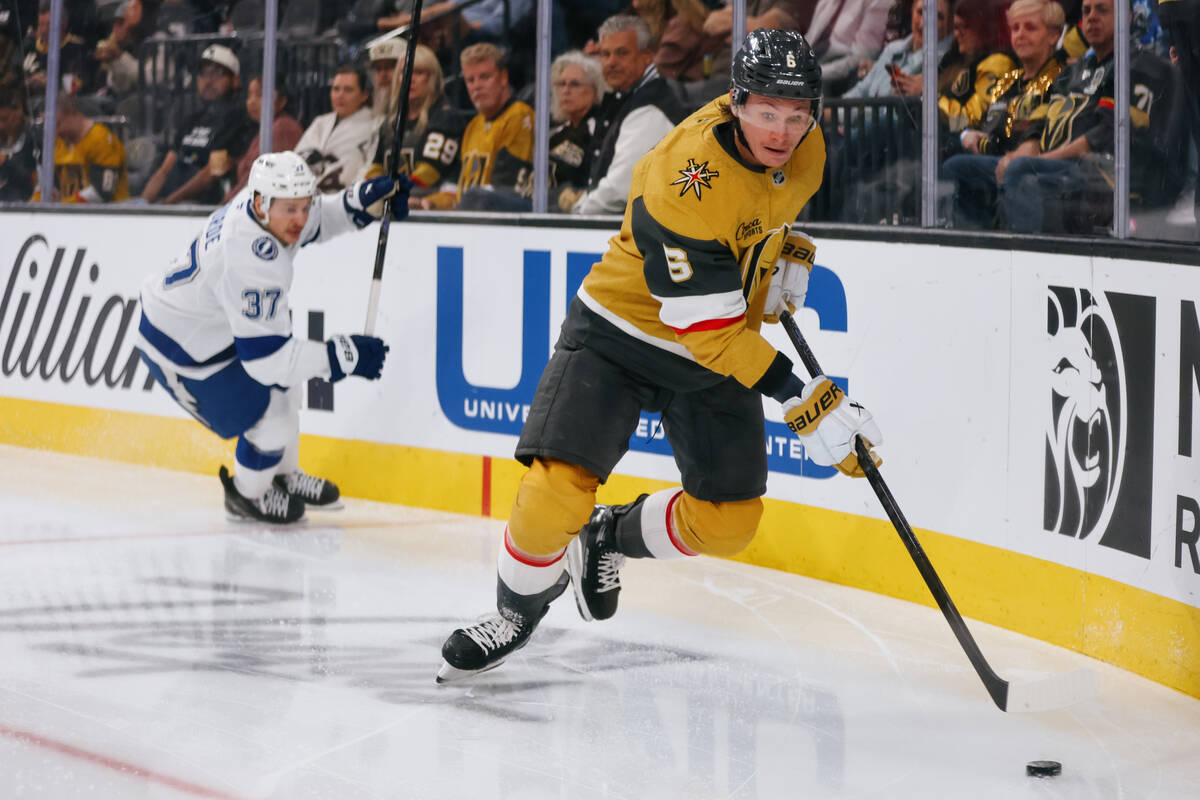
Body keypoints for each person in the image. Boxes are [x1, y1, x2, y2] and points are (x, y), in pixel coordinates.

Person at [437, 29, 883, 683]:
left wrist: (783, 251)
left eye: (796, 114)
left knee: (731, 522)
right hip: (623, 332)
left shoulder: (807, 146)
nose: (783, 130)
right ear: (735, 102)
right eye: (766, 112)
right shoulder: (683, 180)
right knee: (553, 491)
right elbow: (711, 334)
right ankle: (515, 611)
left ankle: (604, 536)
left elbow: (764, 207)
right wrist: (802, 398)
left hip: (713, 341)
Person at [136, 152, 411, 524]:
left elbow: (319, 219)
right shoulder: (248, 258)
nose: (300, 219)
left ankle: (282, 475)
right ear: (262, 205)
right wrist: (344, 356)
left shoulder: (265, 208)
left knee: (288, 391)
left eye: (304, 206)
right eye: (291, 211)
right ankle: (247, 495)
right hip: (179, 349)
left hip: (212, 330)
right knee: (273, 416)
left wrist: (363, 201)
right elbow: (268, 363)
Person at [999, 0, 1182, 232]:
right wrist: (1014, 157)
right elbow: (1039, 127)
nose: (1092, 17)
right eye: (1086, 11)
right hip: (1057, 167)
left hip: (1102, 174)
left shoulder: (1139, 66)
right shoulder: (1069, 73)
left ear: (1126, 18)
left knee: (1020, 173)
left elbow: (1105, 135)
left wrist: (1042, 161)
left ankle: (1023, 258)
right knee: (962, 168)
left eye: (1102, 10)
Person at [941, 0, 1066, 228]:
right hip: (996, 160)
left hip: (1034, 169)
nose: (1020, 35)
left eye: (1030, 27)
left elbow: (1035, 137)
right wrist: (971, 136)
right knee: (949, 158)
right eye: (1015, 28)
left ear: (1053, 35)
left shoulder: (1060, 77)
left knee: (956, 166)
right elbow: (988, 126)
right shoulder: (1009, 81)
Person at [560, 14, 688, 215]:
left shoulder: (650, 106)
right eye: (605, 54)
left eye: (621, 53)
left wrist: (579, 210)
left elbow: (620, 190)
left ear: (647, 56)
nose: (611, 62)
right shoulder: (625, 98)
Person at [140, 44, 256, 205]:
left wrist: (169, 203)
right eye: (203, 73)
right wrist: (143, 203)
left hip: (202, 209)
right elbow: (164, 170)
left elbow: (211, 174)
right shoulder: (191, 120)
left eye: (218, 73)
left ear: (235, 80)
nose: (208, 80)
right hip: (170, 206)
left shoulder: (237, 121)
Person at [364, 42, 467, 209]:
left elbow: (428, 175)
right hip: (397, 199)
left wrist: (386, 193)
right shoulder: (391, 122)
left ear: (432, 78)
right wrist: (369, 189)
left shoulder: (445, 117)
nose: (410, 78)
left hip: (435, 203)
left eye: (418, 72)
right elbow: (376, 167)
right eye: (404, 72)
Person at [450, 42, 534, 211]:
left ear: (503, 77)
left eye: (485, 77)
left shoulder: (519, 116)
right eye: (470, 80)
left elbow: (506, 188)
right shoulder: (474, 124)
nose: (477, 86)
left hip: (494, 221)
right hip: (467, 219)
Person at [295, 64, 379, 193]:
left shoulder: (375, 126)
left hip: (346, 201)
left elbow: (369, 170)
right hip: (306, 199)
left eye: (348, 90)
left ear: (364, 95)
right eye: (336, 89)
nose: (340, 95)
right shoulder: (320, 123)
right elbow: (296, 160)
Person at [221, 74, 304, 203]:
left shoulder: (283, 128)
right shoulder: (267, 129)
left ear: (282, 101)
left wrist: (225, 206)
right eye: (249, 95)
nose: (252, 101)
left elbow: (259, 181)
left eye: (260, 95)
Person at [548, 50, 607, 207]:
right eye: (562, 84)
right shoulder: (555, 134)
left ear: (595, 91)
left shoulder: (600, 132)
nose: (566, 90)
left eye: (574, 84)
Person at [44, 93, 129, 202]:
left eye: (58, 124)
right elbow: (49, 184)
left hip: (105, 215)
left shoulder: (101, 140)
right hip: (66, 215)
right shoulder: (59, 142)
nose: (55, 132)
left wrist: (64, 206)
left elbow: (101, 193)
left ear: (73, 114)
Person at [0, 84, 38, 201]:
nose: (0, 126)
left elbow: (32, 183)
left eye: (4, 119)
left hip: (23, 203)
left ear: (19, 109)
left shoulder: (35, 137)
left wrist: (5, 162)